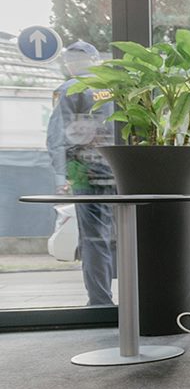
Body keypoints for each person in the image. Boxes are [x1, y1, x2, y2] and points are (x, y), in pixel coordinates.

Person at [46, 41, 116, 307]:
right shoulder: (118, 88)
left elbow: (58, 136)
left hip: (87, 172)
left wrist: (61, 176)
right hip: (123, 170)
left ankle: (100, 302)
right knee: (125, 235)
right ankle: (137, 302)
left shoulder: (70, 89)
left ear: (71, 65)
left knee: (94, 238)